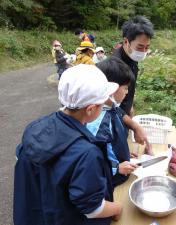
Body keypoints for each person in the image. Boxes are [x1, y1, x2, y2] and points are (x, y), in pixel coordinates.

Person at [14, 64, 123, 225]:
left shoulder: (35, 128)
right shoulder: (86, 153)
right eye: (102, 104)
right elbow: (92, 209)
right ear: (91, 109)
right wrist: (117, 208)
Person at [86, 57, 153, 187]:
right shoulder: (98, 123)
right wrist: (116, 167)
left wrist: (124, 153)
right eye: (126, 88)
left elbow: (112, 141)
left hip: (124, 167)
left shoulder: (112, 107)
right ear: (112, 89)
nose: (127, 92)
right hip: (112, 180)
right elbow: (91, 160)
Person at [113, 15, 154, 117]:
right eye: (140, 47)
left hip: (125, 112)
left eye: (147, 47)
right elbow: (111, 106)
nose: (143, 51)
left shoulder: (132, 57)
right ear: (126, 42)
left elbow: (129, 88)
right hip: (116, 118)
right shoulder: (115, 66)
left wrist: (130, 106)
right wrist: (133, 126)